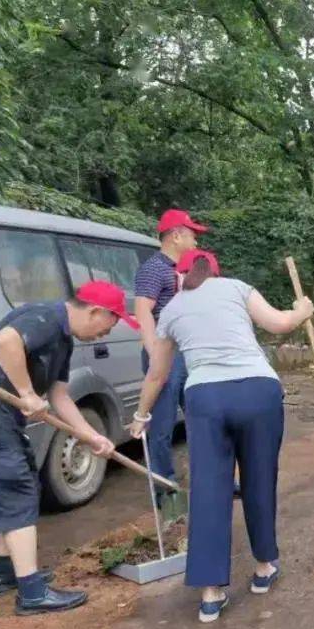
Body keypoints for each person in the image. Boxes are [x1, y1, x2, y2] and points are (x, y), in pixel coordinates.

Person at [130, 250, 314, 623]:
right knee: (259, 478)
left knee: (210, 488)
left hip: (207, 399)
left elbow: (157, 375)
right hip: (258, 391)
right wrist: (303, 310)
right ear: (216, 270)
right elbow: (279, 324)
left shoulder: (171, 310)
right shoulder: (236, 288)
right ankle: (263, 568)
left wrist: (141, 415)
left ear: (180, 277)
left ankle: (211, 595)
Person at [0, 281, 138, 615]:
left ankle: (4, 573)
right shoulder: (45, 319)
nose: (107, 333)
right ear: (96, 312)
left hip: (2, 422)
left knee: (24, 489)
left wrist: (90, 435)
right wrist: (25, 392)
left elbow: (60, 396)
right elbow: (5, 341)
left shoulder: (63, 340)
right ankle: (32, 594)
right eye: (112, 322)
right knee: (16, 493)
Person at [133, 209, 206, 505]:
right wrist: (155, 355)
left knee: (201, 418)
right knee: (161, 427)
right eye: (191, 235)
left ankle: (211, 476)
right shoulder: (154, 268)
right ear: (176, 235)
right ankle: (165, 489)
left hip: (186, 352)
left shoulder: (189, 269)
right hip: (164, 353)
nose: (195, 242)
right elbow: (143, 313)